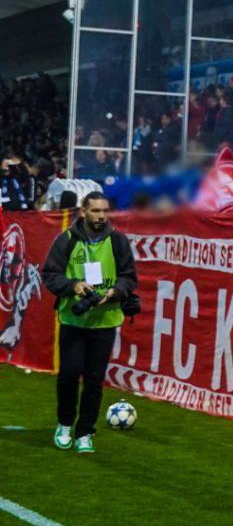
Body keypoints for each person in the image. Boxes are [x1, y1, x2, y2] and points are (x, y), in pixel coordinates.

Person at [40, 191, 138, 453]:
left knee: (95, 380)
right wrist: (74, 286)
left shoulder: (118, 241)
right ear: (83, 212)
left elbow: (129, 277)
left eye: (105, 210)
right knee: (69, 374)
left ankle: (85, 431)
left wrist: (115, 292)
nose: (101, 216)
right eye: (95, 211)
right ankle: (64, 424)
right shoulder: (66, 240)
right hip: (73, 319)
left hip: (105, 321)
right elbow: (50, 274)